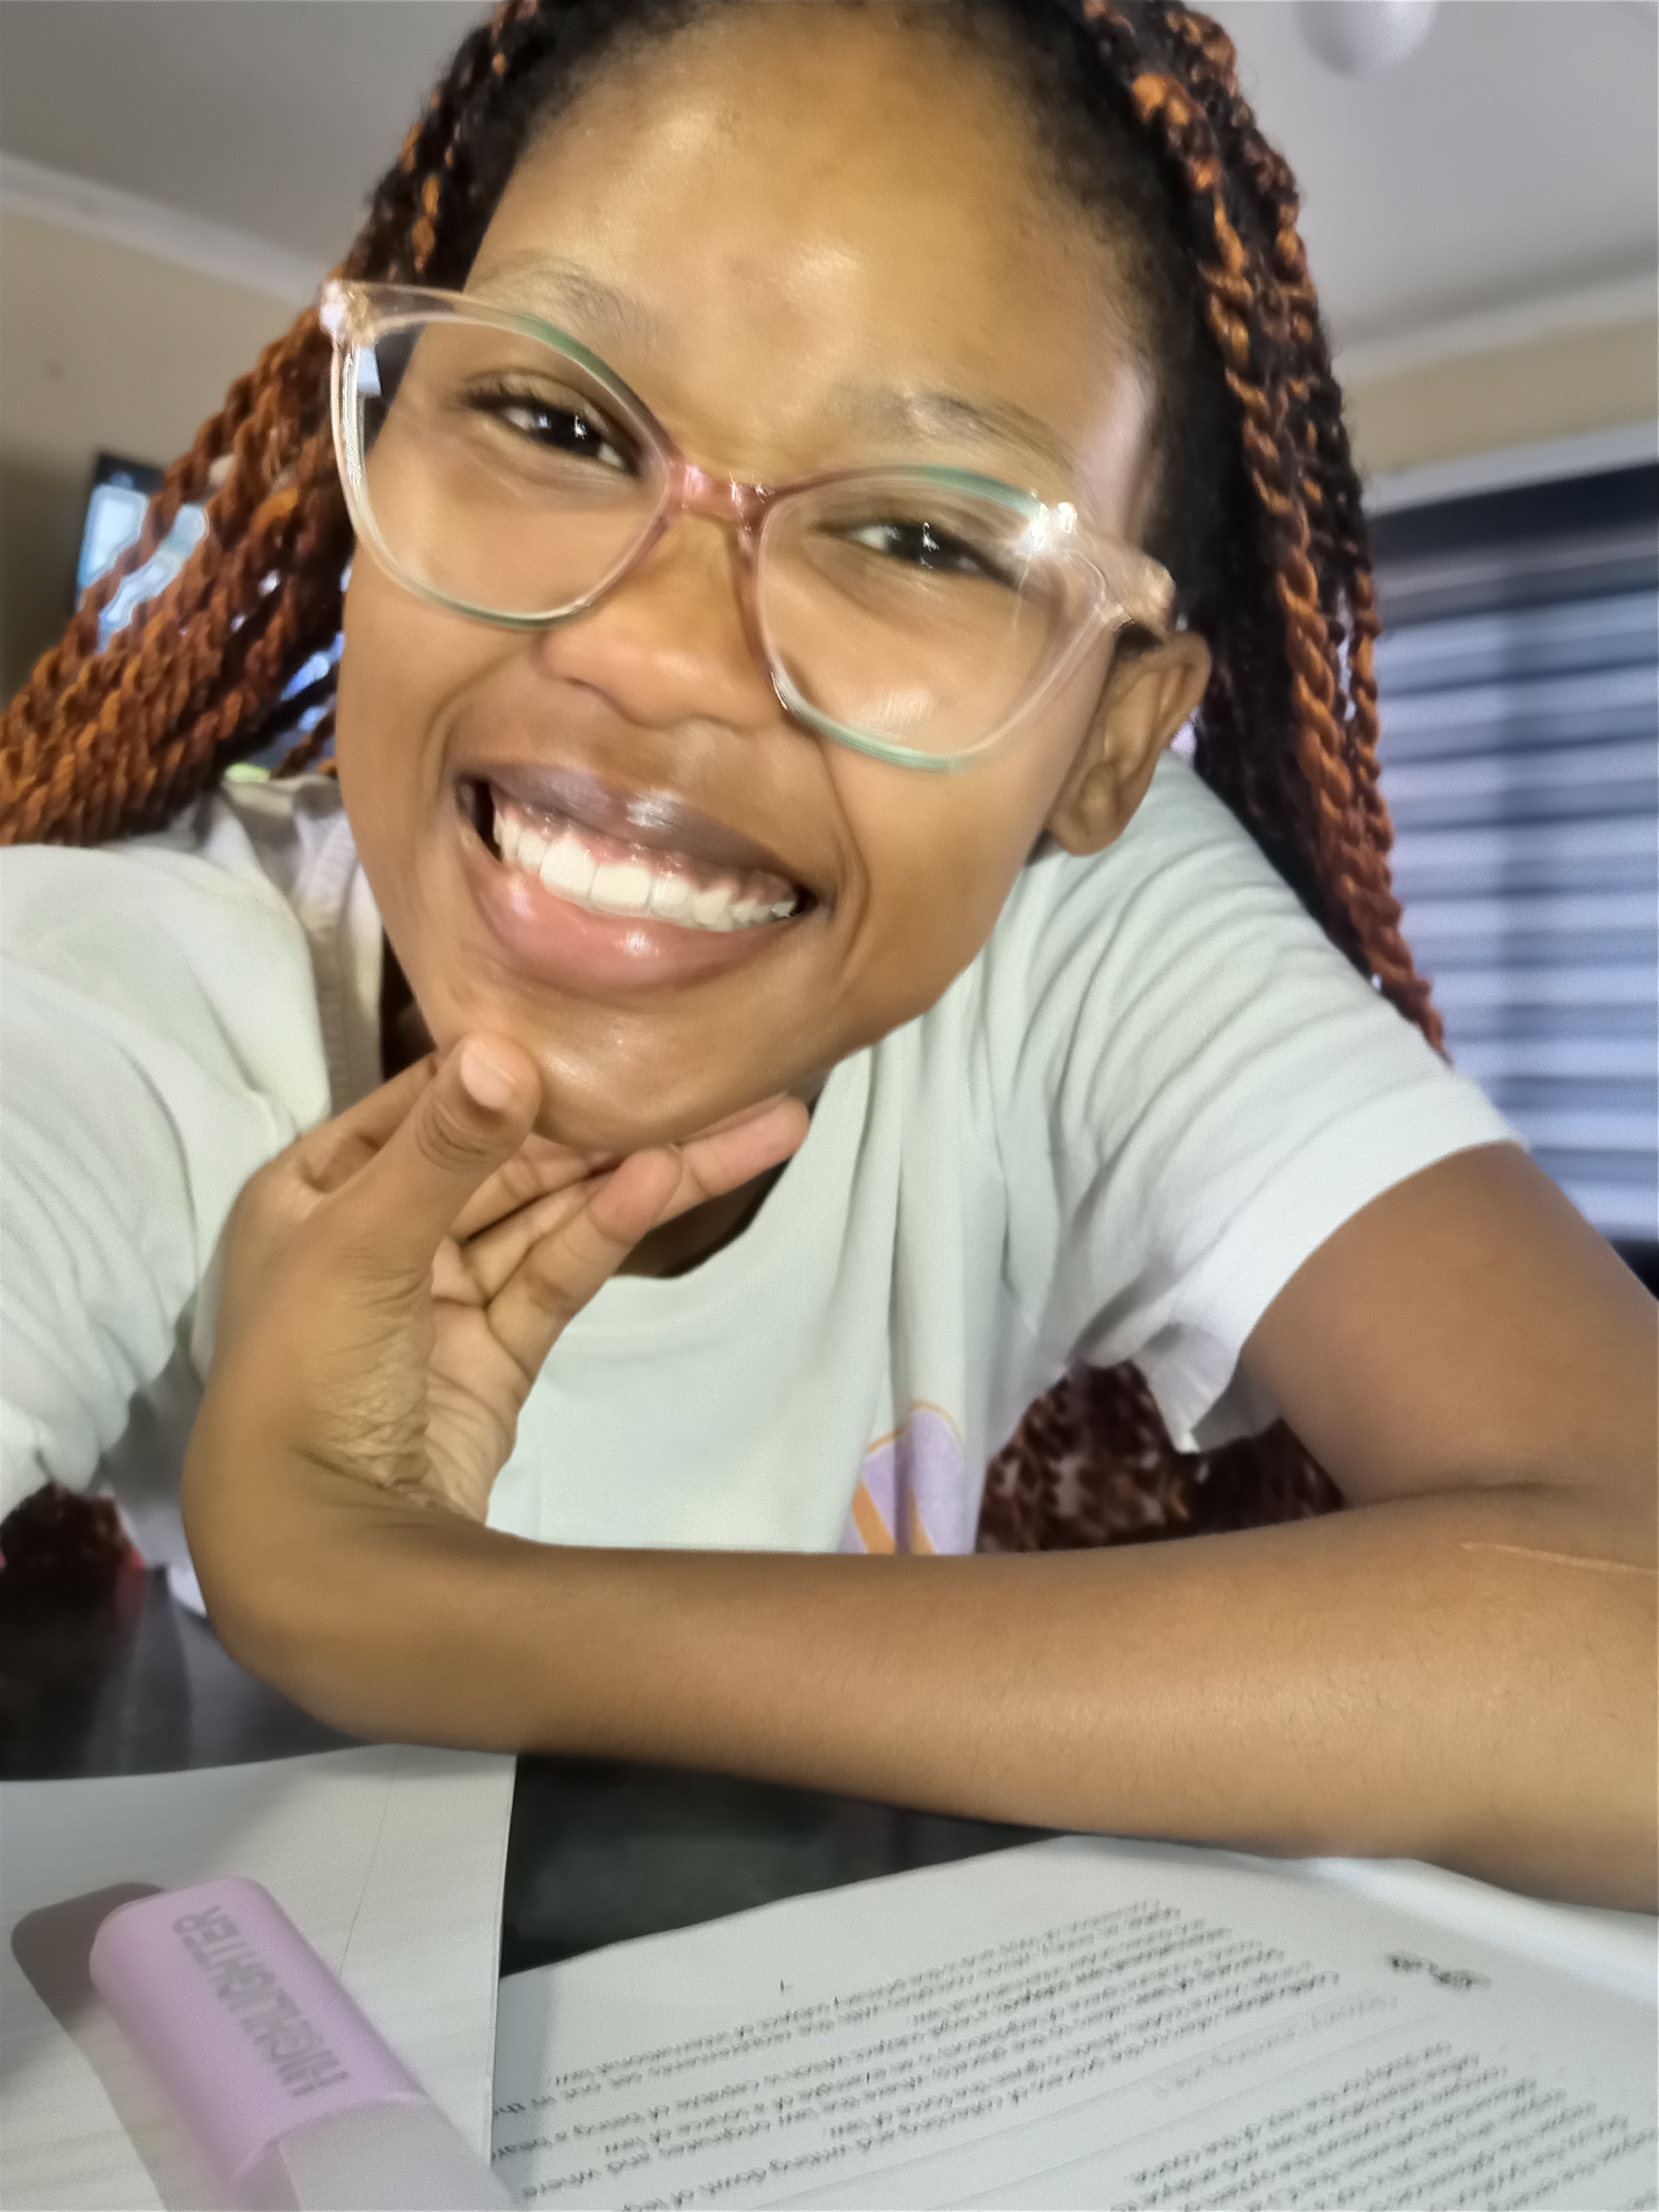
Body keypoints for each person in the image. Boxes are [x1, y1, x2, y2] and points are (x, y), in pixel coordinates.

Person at [1, 0, 1652, 1908]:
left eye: (928, 540)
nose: (657, 654)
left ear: (1110, 743)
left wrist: (400, 1602)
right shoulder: (121, 1006)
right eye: (553, 421)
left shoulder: (1084, 957)